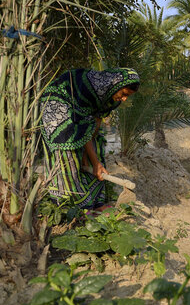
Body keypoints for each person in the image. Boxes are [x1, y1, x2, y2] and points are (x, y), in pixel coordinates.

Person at [40, 68, 139, 211]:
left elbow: (95, 123)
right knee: (67, 149)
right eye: (124, 94)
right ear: (116, 84)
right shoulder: (91, 88)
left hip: (80, 115)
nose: (124, 99)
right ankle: (75, 208)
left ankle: (96, 202)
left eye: (128, 96)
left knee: (96, 147)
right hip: (57, 107)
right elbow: (83, 127)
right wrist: (94, 162)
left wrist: (91, 157)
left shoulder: (111, 96)